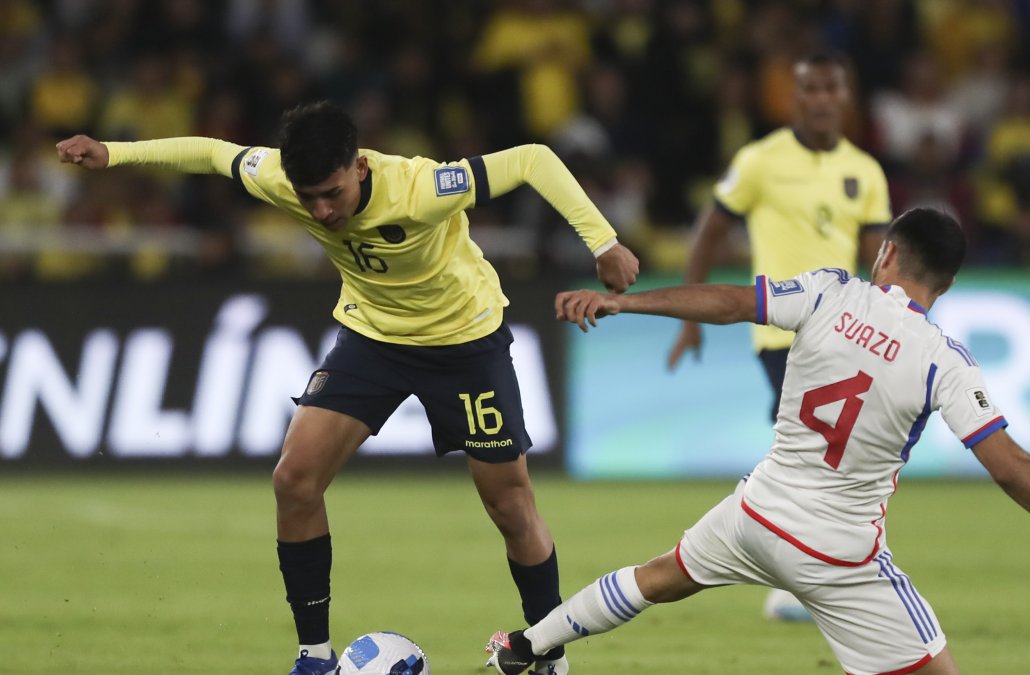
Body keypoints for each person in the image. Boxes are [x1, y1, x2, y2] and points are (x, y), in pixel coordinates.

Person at [56, 101, 639, 675]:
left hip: (464, 344)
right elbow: (213, 153)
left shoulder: (421, 187)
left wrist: (603, 243)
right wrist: (115, 154)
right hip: (373, 338)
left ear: (359, 166)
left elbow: (534, 158)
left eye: (332, 193)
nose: (322, 210)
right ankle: (313, 657)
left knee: (511, 507)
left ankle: (548, 658)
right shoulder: (282, 179)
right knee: (294, 478)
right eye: (309, 198)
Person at [485, 208, 1030, 675]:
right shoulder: (943, 360)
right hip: (839, 556)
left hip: (755, 514)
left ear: (886, 253)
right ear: (947, 284)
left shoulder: (828, 291)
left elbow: (729, 303)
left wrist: (626, 302)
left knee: (656, 576)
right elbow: (1010, 467)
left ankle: (527, 642)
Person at [667, 51, 891, 622]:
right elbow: (710, 231)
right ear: (794, 98)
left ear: (845, 96)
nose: (820, 99)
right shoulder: (760, 161)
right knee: (813, 454)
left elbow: (879, 259)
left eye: (830, 88)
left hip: (846, 332)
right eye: (809, 89)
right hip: (780, 333)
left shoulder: (865, 171)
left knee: (832, 455)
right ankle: (800, 578)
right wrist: (691, 316)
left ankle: (802, 573)